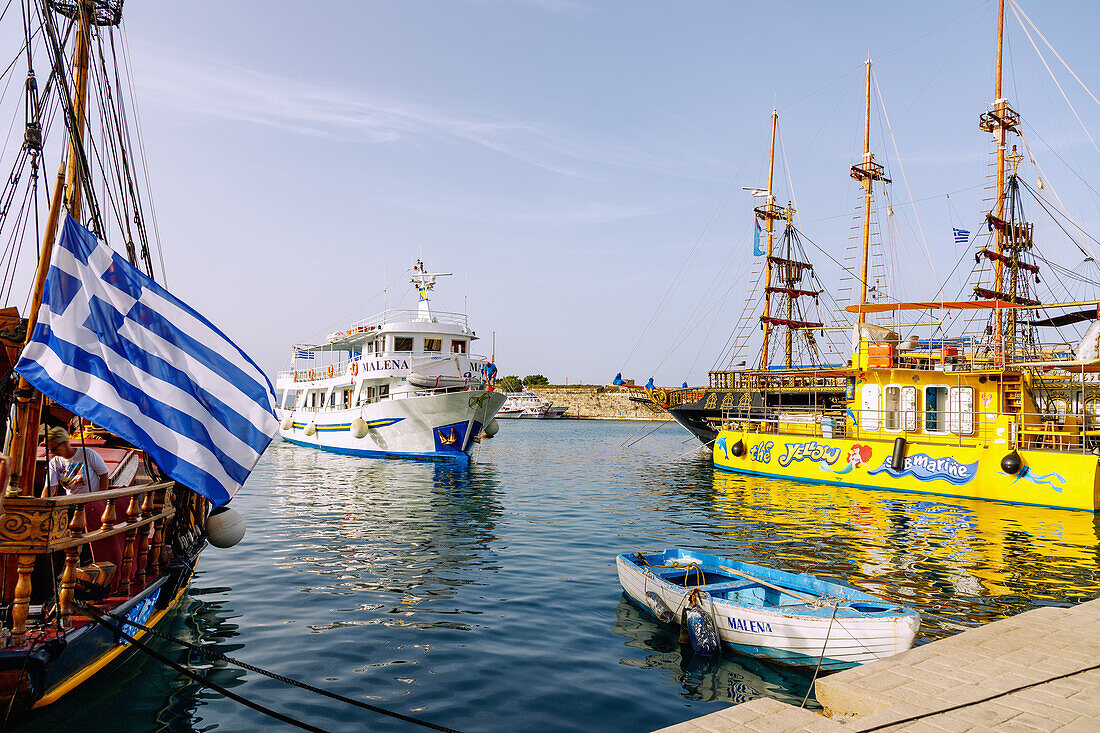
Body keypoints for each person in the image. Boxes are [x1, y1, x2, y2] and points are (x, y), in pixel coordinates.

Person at [45, 427, 124, 590]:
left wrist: (100, 500)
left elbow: (103, 475)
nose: (52, 452)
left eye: (54, 448)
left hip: (91, 504)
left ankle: (90, 578)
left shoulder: (88, 454)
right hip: (71, 505)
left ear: (65, 443)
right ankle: (59, 579)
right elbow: (50, 488)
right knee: (63, 541)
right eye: (50, 449)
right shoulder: (55, 462)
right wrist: (42, 506)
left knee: (90, 544)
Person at [45, 427, 108, 497]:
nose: (50, 452)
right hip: (72, 501)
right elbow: (50, 488)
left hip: (92, 500)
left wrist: (101, 498)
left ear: (64, 444)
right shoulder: (54, 463)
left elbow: (104, 474)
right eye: (48, 449)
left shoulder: (88, 454)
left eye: (53, 449)